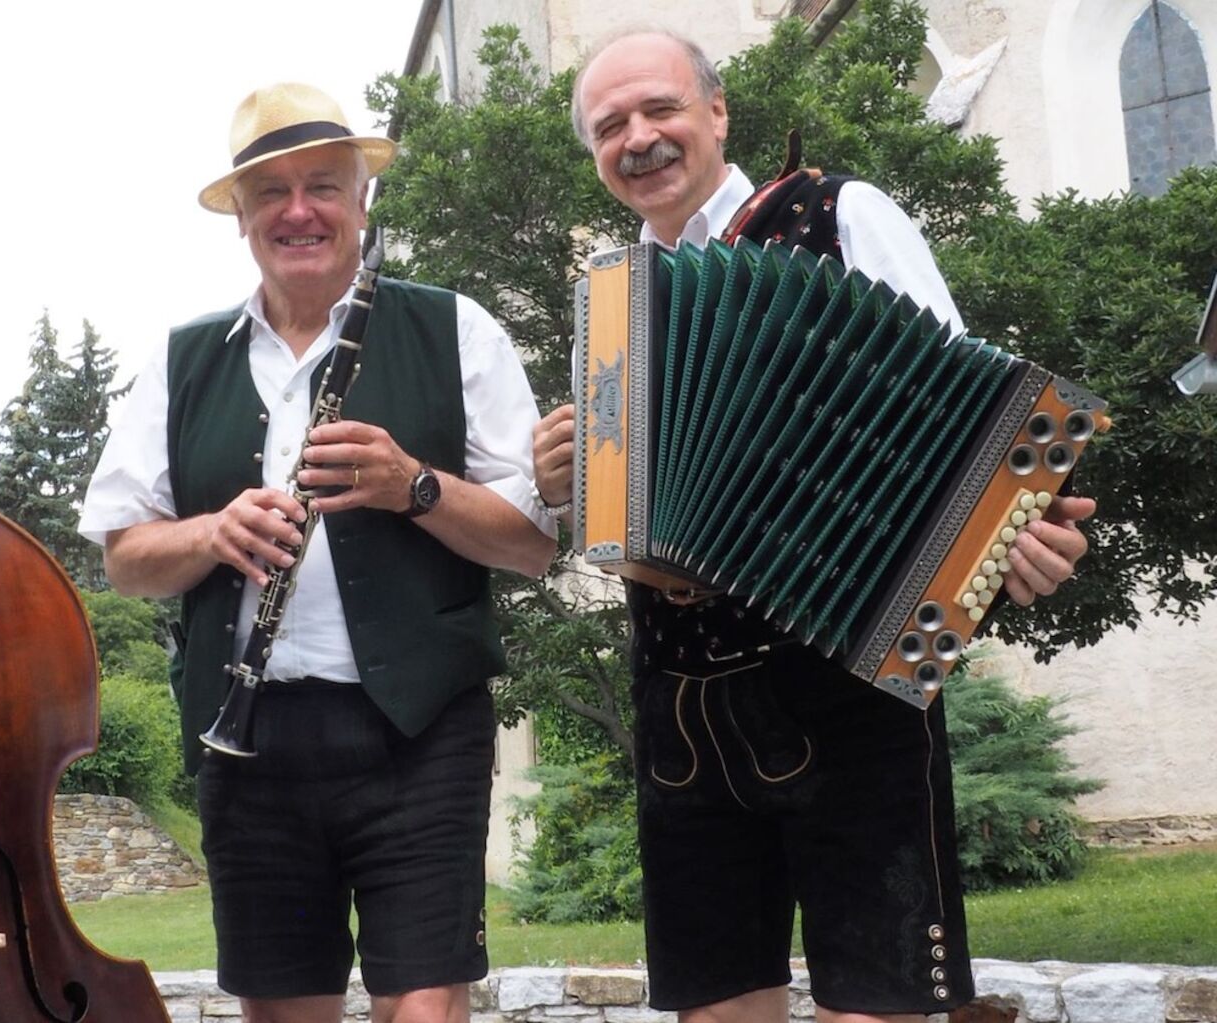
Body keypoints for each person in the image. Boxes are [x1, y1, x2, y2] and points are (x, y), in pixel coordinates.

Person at [530, 29, 1096, 1023]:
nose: (639, 138)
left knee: (875, 1008)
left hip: (845, 683)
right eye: (610, 126)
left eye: (659, 109)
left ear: (716, 113)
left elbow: (966, 405)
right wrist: (563, 479)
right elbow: (618, 518)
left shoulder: (835, 213)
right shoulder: (617, 301)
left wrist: (1013, 532)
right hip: (680, 701)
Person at [78, 82, 556, 1023]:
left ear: (363, 199)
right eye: (273, 193)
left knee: (424, 1008)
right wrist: (213, 533)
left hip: (419, 735)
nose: (299, 211)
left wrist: (412, 485)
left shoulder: (456, 329)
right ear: (245, 220)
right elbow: (125, 558)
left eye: (323, 186)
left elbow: (535, 546)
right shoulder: (182, 361)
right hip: (251, 745)